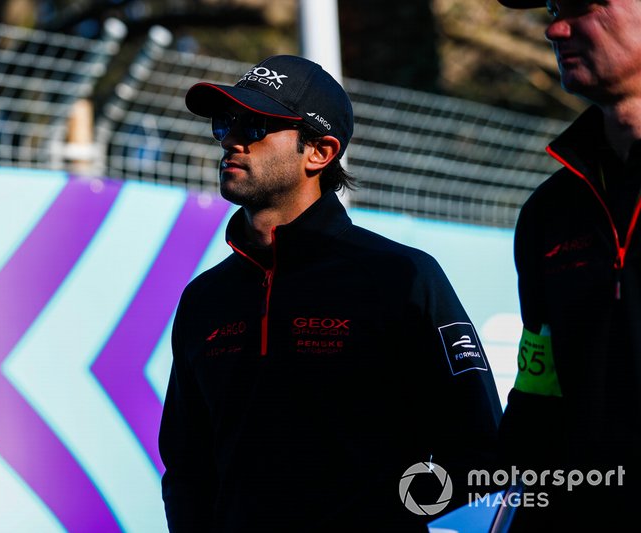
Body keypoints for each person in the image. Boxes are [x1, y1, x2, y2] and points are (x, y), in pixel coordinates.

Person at [158, 54, 503, 532]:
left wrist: (379, 514)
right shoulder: (205, 298)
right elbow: (186, 465)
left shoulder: (401, 277)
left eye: (255, 125)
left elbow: (478, 450)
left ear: (319, 153)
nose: (232, 139)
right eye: (225, 122)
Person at [494, 0, 641, 530]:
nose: (555, 28)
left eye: (581, 5)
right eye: (554, 8)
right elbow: (540, 391)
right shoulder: (550, 212)